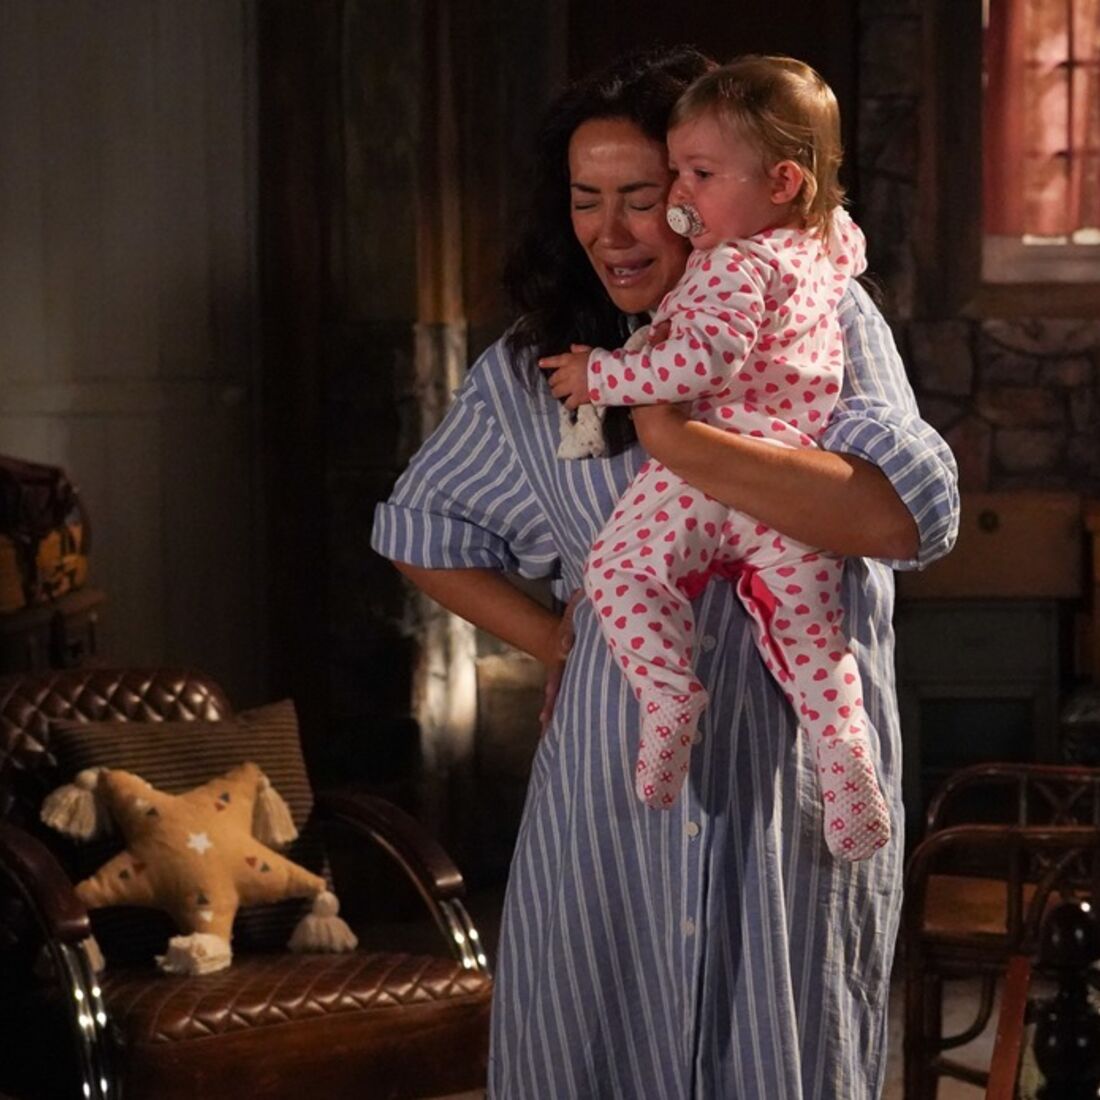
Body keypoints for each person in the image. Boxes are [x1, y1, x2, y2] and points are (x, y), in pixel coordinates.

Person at [371, 44, 958, 1100]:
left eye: (643, 197)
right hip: (610, 794)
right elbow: (422, 528)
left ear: (710, 190)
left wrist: (678, 439)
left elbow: (901, 515)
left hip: (788, 790)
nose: (611, 230)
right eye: (585, 200)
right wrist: (559, 638)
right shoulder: (535, 370)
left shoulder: (819, 312)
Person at [539, 56, 889, 862]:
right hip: (791, 483)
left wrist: (602, 376)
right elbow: (843, 239)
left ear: (782, 182)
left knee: (619, 574)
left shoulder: (733, 262)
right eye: (677, 175)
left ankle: (667, 698)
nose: (682, 197)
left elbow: (702, 362)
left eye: (695, 176)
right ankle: (848, 770)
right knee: (815, 645)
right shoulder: (827, 249)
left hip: (713, 469)